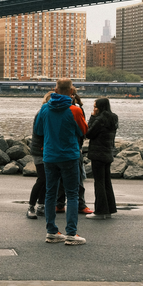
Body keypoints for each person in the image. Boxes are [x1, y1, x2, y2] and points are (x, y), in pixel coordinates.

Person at [33, 77, 88, 245]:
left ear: (55, 91)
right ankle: (71, 233)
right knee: (72, 194)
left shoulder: (44, 108)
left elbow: (38, 130)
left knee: (51, 193)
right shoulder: (75, 110)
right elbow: (83, 131)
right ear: (71, 91)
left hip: (49, 156)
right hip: (69, 156)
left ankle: (51, 232)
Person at [56, 87, 93, 215]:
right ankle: (75, 204)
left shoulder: (75, 109)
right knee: (76, 178)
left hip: (68, 147)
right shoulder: (74, 109)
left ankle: (63, 204)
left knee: (70, 178)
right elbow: (83, 130)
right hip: (73, 148)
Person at [85, 97, 119, 219]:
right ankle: (109, 209)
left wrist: (92, 117)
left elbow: (88, 133)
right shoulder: (114, 118)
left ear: (100, 107)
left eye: (95, 106)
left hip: (97, 154)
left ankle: (100, 211)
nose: (94, 109)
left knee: (99, 183)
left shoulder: (99, 119)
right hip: (108, 152)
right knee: (107, 182)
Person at [27, 92, 51, 219]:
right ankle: (31, 206)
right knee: (42, 178)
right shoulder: (42, 113)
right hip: (40, 150)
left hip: (45, 149)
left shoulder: (45, 113)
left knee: (46, 179)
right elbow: (39, 131)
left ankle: (41, 205)